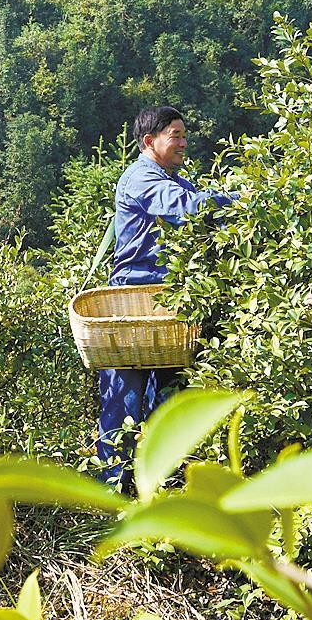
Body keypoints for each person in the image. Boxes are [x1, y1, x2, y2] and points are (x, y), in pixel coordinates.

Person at [98, 106, 234, 488]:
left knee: (168, 391)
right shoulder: (143, 179)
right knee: (124, 396)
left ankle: (158, 478)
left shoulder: (173, 178)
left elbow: (200, 204)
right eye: (175, 134)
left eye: (183, 134)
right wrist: (245, 200)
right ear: (149, 141)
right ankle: (116, 485)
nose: (183, 142)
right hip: (134, 299)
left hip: (168, 299)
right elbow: (190, 209)